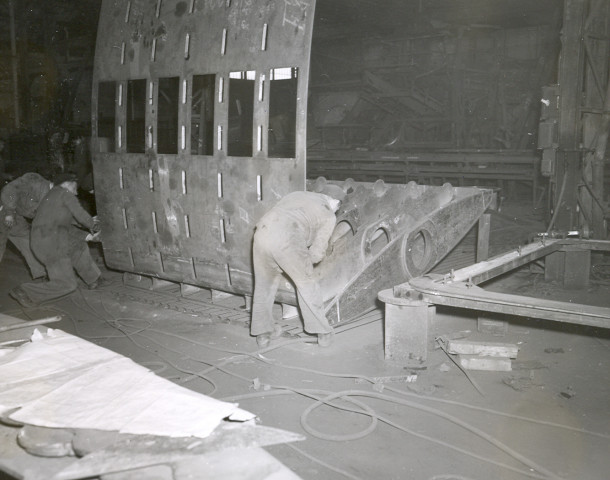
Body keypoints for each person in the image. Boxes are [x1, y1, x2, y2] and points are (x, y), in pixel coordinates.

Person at [250, 185, 345, 348]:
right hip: (288, 237)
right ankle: (323, 333)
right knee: (307, 284)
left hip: (261, 234)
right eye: (337, 208)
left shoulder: (297, 194)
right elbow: (317, 254)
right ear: (334, 201)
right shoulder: (328, 215)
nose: (336, 211)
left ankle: (263, 334)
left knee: (264, 285)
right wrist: (305, 260)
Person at [9, 173, 103, 308]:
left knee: (78, 247)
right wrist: (94, 226)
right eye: (75, 187)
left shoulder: (51, 198)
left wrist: (88, 236)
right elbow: (80, 216)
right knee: (68, 284)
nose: (76, 193)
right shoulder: (64, 194)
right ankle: (26, 291)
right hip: (51, 245)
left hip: (46, 241)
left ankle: (93, 279)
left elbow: (65, 226)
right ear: (67, 183)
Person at [0, 172, 53, 280]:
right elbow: (9, 189)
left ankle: (40, 274)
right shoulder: (35, 181)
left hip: (16, 219)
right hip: (4, 212)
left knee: (27, 241)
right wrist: (9, 213)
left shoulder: (49, 195)